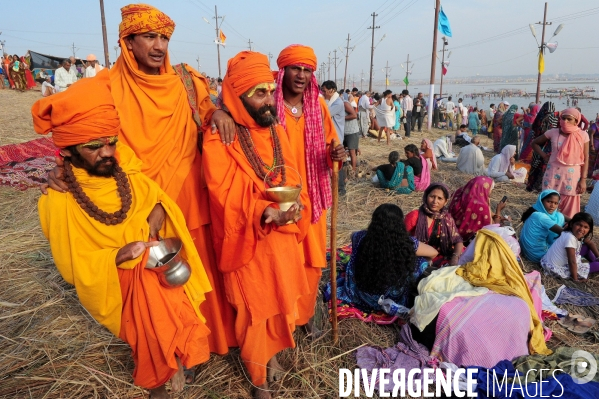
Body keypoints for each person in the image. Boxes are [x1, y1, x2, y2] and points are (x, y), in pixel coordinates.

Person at [44, 3, 238, 360]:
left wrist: (221, 112)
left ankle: (207, 343)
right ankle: (169, 353)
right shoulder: (104, 87)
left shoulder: (186, 80)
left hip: (186, 194)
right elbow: (78, 130)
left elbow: (208, 113)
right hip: (135, 200)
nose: (159, 45)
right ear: (127, 42)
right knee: (150, 280)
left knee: (193, 268)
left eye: (164, 37)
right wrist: (60, 168)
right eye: (149, 37)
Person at [34, 70, 213, 399]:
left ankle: (175, 364)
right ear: (67, 152)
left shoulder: (127, 171)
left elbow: (158, 201)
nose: (106, 153)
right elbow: (74, 266)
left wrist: (156, 219)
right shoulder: (58, 200)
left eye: (111, 142)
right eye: (93, 146)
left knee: (173, 334)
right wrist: (118, 256)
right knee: (151, 350)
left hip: (157, 270)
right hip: (118, 283)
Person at [203, 51, 310, 398]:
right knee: (255, 310)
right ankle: (258, 378)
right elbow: (224, 194)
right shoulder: (219, 136)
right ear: (237, 95)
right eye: (259, 93)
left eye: (269, 90)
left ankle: (273, 357)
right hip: (247, 237)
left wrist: (297, 207)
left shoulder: (274, 129)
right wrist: (265, 212)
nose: (268, 100)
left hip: (281, 233)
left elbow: (294, 175)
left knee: (279, 302)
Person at [273, 44, 345, 335]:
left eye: (306, 70)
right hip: (281, 197)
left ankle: (306, 316)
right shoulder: (269, 105)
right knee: (284, 262)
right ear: (284, 71)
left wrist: (336, 155)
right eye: (295, 68)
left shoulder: (318, 106)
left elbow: (330, 146)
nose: (301, 75)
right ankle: (283, 320)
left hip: (314, 198)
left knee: (313, 261)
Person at [334, 204, 438, 313]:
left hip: (359, 294)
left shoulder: (360, 237)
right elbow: (433, 253)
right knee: (421, 261)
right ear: (399, 224)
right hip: (388, 299)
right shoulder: (407, 243)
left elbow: (352, 235)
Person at [531, 107, 590, 218]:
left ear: (576, 121)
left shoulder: (583, 135)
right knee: (548, 203)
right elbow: (534, 143)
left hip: (572, 176)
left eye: (569, 119)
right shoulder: (553, 132)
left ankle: (565, 232)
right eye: (563, 118)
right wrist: (544, 155)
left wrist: (583, 180)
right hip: (553, 174)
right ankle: (546, 228)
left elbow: (586, 158)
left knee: (569, 209)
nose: (565, 121)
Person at [404, 183, 464, 266]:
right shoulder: (415, 216)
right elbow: (402, 239)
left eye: (440, 198)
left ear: (445, 201)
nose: (435, 201)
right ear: (426, 196)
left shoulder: (447, 218)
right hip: (420, 257)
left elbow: (458, 240)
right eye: (432, 196)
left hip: (444, 255)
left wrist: (455, 257)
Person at [541, 212, 599, 281]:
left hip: (547, 262)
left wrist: (598, 256)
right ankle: (593, 263)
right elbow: (572, 261)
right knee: (597, 265)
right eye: (579, 225)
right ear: (571, 224)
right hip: (555, 269)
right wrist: (575, 279)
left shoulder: (568, 232)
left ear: (589, 230)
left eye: (585, 227)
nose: (581, 229)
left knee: (586, 248)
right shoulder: (570, 238)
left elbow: (589, 243)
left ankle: (595, 260)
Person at [448, 176, 505, 243]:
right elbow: (494, 229)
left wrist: (494, 215)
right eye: (490, 189)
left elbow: (487, 214)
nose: (490, 192)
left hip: (450, 234)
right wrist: (498, 210)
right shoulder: (481, 206)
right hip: (466, 242)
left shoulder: (459, 194)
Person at [321, 80, 352, 195]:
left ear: (331, 90)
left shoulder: (338, 103)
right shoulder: (332, 102)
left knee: (337, 164)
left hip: (336, 138)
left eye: (324, 91)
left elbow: (324, 114)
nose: (323, 93)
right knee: (333, 163)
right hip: (331, 138)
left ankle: (341, 189)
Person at [519, 190, 566, 262]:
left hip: (528, 252)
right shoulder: (541, 216)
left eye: (556, 203)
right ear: (541, 201)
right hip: (539, 255)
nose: (552, 206)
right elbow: (564, 233)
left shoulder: (535, 212)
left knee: (559, 216)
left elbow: (560, 214)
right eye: (549, 202)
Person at [526, 102, 558, 192]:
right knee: (544, 166)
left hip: (537, 145)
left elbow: (534, 130)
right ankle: (540, 187)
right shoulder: (553, 117)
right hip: (547, 147)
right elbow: (553, 132)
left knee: (536, 165)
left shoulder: (539, 118)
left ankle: (531, 186)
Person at [344, 89, 360, 178]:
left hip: (351, 131)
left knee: (352, 152)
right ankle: (345, 170)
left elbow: (354, 115)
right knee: (345, 152)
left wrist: (341, 118)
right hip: (344, 132)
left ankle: (352, 173)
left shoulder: (344, 103)